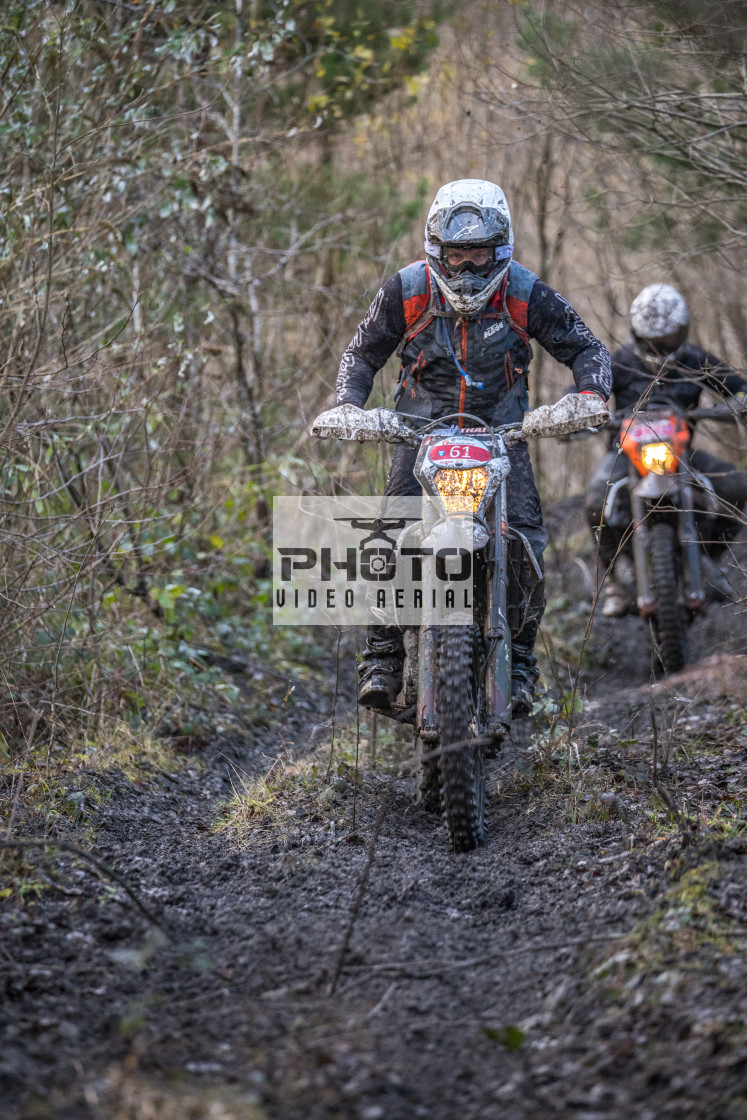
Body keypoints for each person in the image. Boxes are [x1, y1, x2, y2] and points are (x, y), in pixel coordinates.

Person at [336, 178, 612, 714]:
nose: (465, 266)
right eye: (456, 252)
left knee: (528, 540)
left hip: (502, 435)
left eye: (478, 253)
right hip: (420, 432)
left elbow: (587, 348)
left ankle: (523, 664)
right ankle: (383, 656)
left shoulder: (524, 292)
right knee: (389, 535)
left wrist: (590, 394)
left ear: (499, 249)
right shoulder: (407, 289)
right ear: (436, 248)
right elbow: (362, 353)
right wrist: (348, 404)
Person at [585, 282, 747, 616]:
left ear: (682, 332)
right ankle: (615, 578)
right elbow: (586, 389)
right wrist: (581, 409)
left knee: (738, 486)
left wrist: (737, 404)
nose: (660, 348)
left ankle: (707, 558)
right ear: (636, 333)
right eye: (652, 341)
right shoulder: (620, 362)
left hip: (681, 456)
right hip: (624, 454)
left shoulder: (696, 360)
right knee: (594, 503)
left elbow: (738, 389)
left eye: (668, 339)